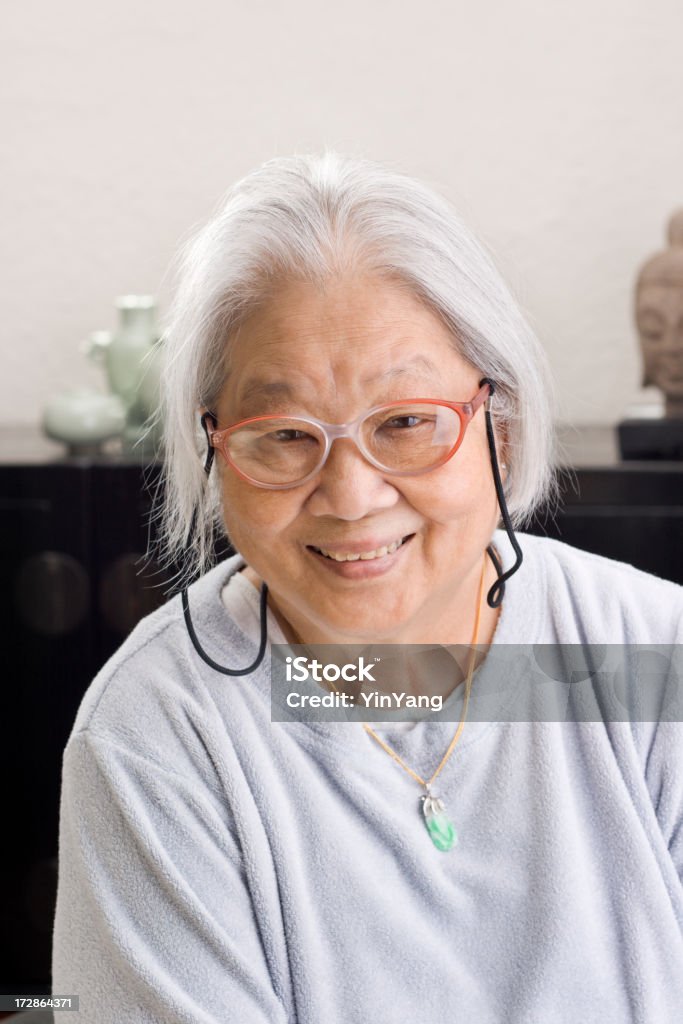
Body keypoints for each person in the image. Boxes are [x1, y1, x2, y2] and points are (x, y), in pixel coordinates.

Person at [52, 153, 683, 1023]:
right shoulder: (162, 731)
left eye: (405, 423)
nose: (351, 498)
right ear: (213, 447)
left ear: (496, 426)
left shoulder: (648, 659)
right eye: (282, 434)